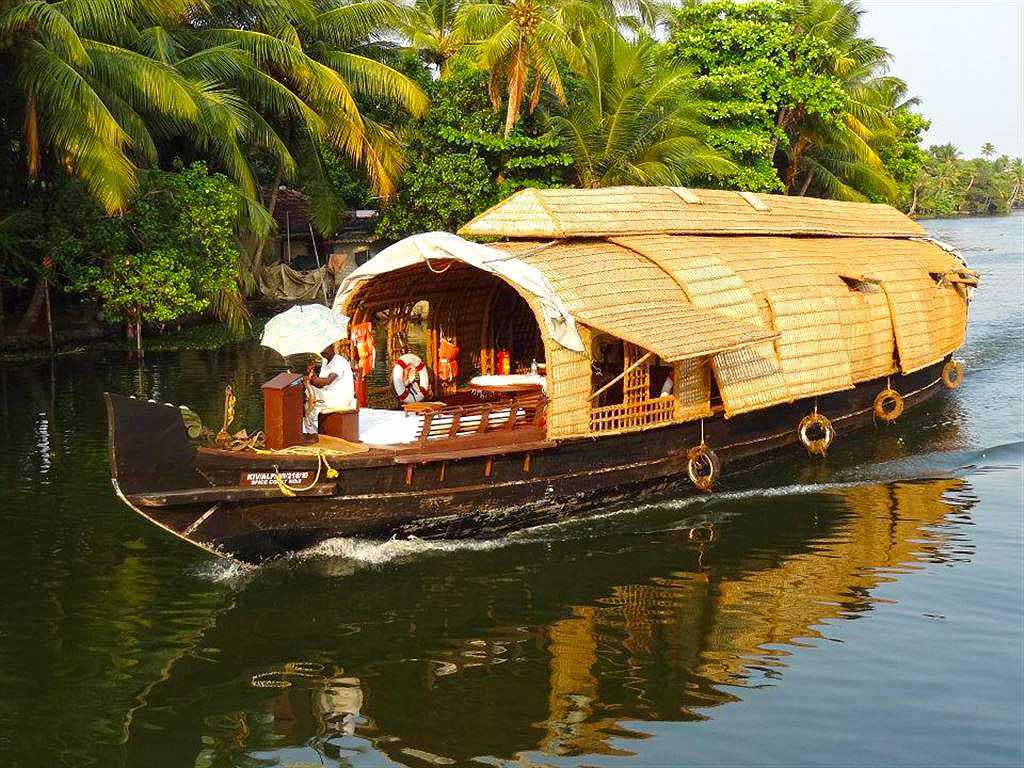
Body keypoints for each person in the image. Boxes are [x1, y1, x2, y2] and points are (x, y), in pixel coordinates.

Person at [302, 342, 356, 435]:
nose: (323, 351)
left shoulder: (339, 362)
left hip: (340, 398)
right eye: (321, 349)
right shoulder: (325, 362)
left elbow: (327, 381)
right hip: (328, 395)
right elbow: (319, 383)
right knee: (304, 399)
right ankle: (314, 433)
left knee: (306, 397)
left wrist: (311, 379)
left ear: (332, 347)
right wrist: (311, 373)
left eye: (325, 348)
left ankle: (313, 433)